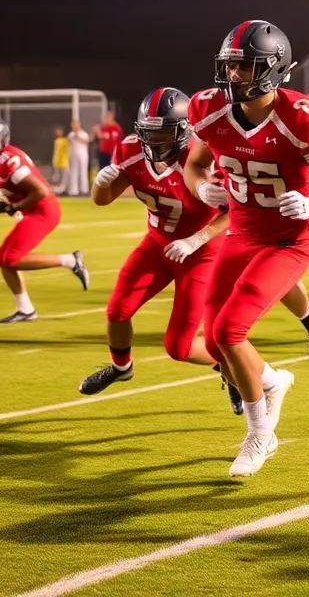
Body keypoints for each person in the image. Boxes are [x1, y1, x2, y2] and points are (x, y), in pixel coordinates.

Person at [183, 19, 309, 478]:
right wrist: (202, 189)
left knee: (229, 332)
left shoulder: (300, 116)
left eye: (245, 67)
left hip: (287, 240)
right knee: (216, 344)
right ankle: (271, 381)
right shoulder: (208, 108)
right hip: (240, 234)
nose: (235, 76)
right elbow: (194, 165)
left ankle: (261, 433)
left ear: (273, 69)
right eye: (231, 66)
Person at [80, 87, 230, 394]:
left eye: (163, 133)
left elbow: (233, 213)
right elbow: (103, 200)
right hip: (157, 244)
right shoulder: (130, 149)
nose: (154, 141)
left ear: (182, 131)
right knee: (117, 312)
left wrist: (196, 239)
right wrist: (99, 183)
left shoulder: (203, 156)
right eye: (149, 133)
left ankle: (233, 369)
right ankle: (122, 368)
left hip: (201, 253)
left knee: (179, 346)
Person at [0, 116, 90, 323]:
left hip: (43, 211)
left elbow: (41, 191)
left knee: (9, 258)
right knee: (2, 258)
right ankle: (25, 309)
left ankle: (71, 261)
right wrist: (10, 205)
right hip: (30, 210)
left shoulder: (8, 162)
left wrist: (14, 207)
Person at [66, 119, 91, 196]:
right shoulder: (70, 135)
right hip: (73, 155)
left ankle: (84, 189)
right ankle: (74, 190)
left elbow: (87, 141)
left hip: (82, 154)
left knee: (83, 171)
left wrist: (78, 137)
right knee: (74, 172)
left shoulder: (83, 134)